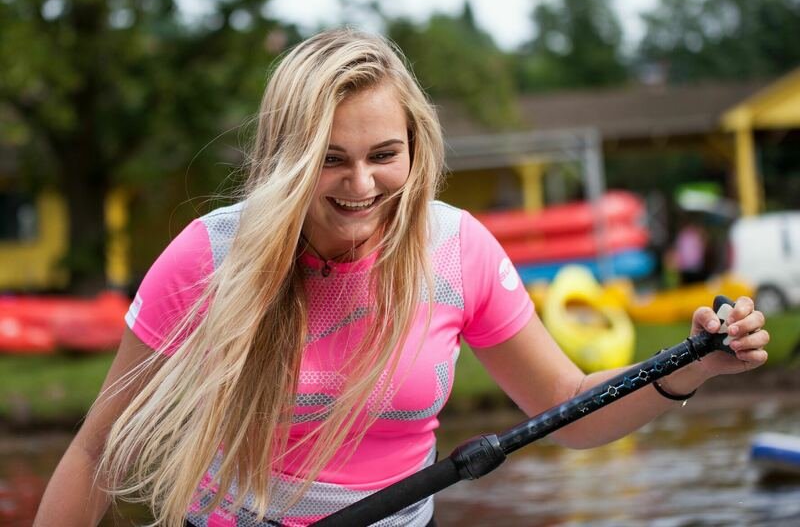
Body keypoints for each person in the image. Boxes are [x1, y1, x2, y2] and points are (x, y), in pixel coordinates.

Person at [34, 29, 769, 527]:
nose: (361, 185)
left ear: (416, 148)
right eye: (330, 159)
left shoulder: (457, 249)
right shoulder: (209, 256)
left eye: (383, 155)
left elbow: (568, 407)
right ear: (288, 159)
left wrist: (690, 366)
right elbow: (100, 450)